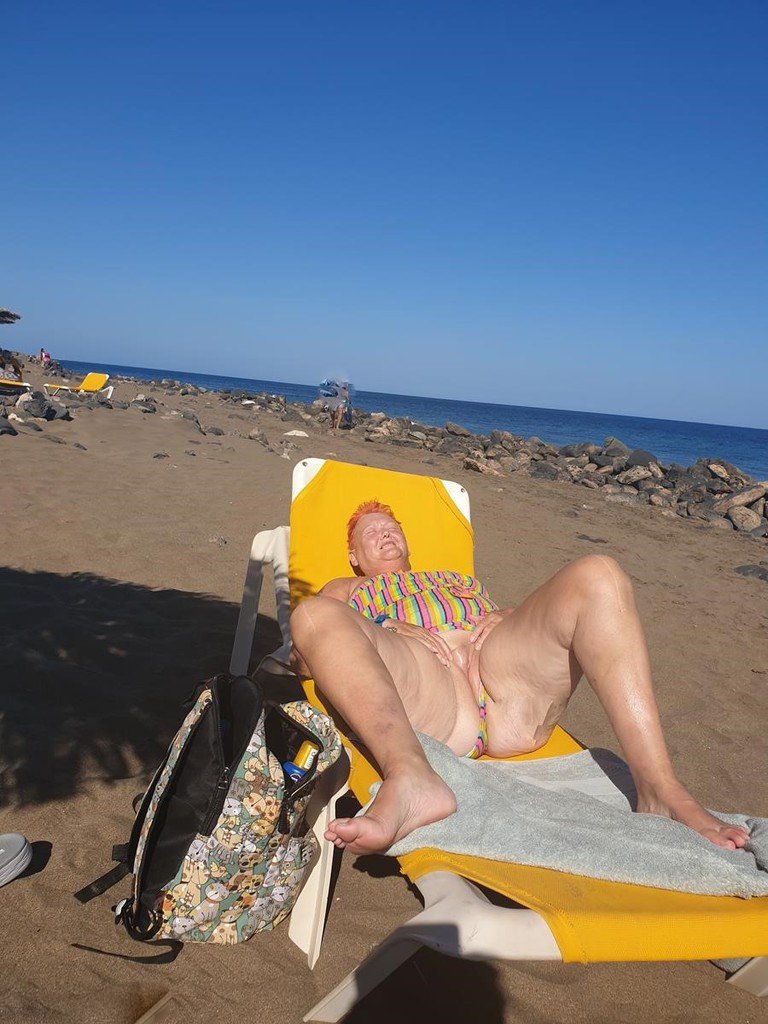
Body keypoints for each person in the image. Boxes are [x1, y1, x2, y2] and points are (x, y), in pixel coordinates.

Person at [290, 500, 750, 857]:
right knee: (312, 615)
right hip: (429, 685)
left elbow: (528, 627)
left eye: (392, 527)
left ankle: (659, 788)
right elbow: (305, 659)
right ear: (353, 555)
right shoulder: (347, 588)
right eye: (371, 533)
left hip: (507, 690)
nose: (385, 534)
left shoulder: (458, 579)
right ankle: (411, 777)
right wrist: (383, 623)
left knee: (599, 574)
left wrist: (508, 614)